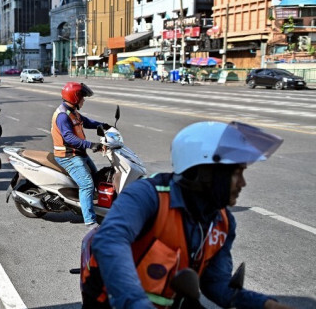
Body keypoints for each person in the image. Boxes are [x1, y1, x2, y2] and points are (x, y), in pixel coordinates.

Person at [81, 121, 292, 309]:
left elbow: (217, 285)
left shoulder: (223, 222)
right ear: (205, 173)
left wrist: (268, 305)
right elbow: (110, 240)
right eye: (236, 174)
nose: (242, 184)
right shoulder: (148, 196)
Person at [50, 82, 110, 226]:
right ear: (75, 97)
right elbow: (69, 138)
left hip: (78, 153)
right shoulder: (63, 115)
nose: (84, 100)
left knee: (97, 177)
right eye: (82, 97)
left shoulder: (72, 111)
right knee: (87, 184)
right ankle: (89, 221)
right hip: (68, 156)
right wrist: (91, 145)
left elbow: (85, 121)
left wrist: (103, 125)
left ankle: (97, 207)